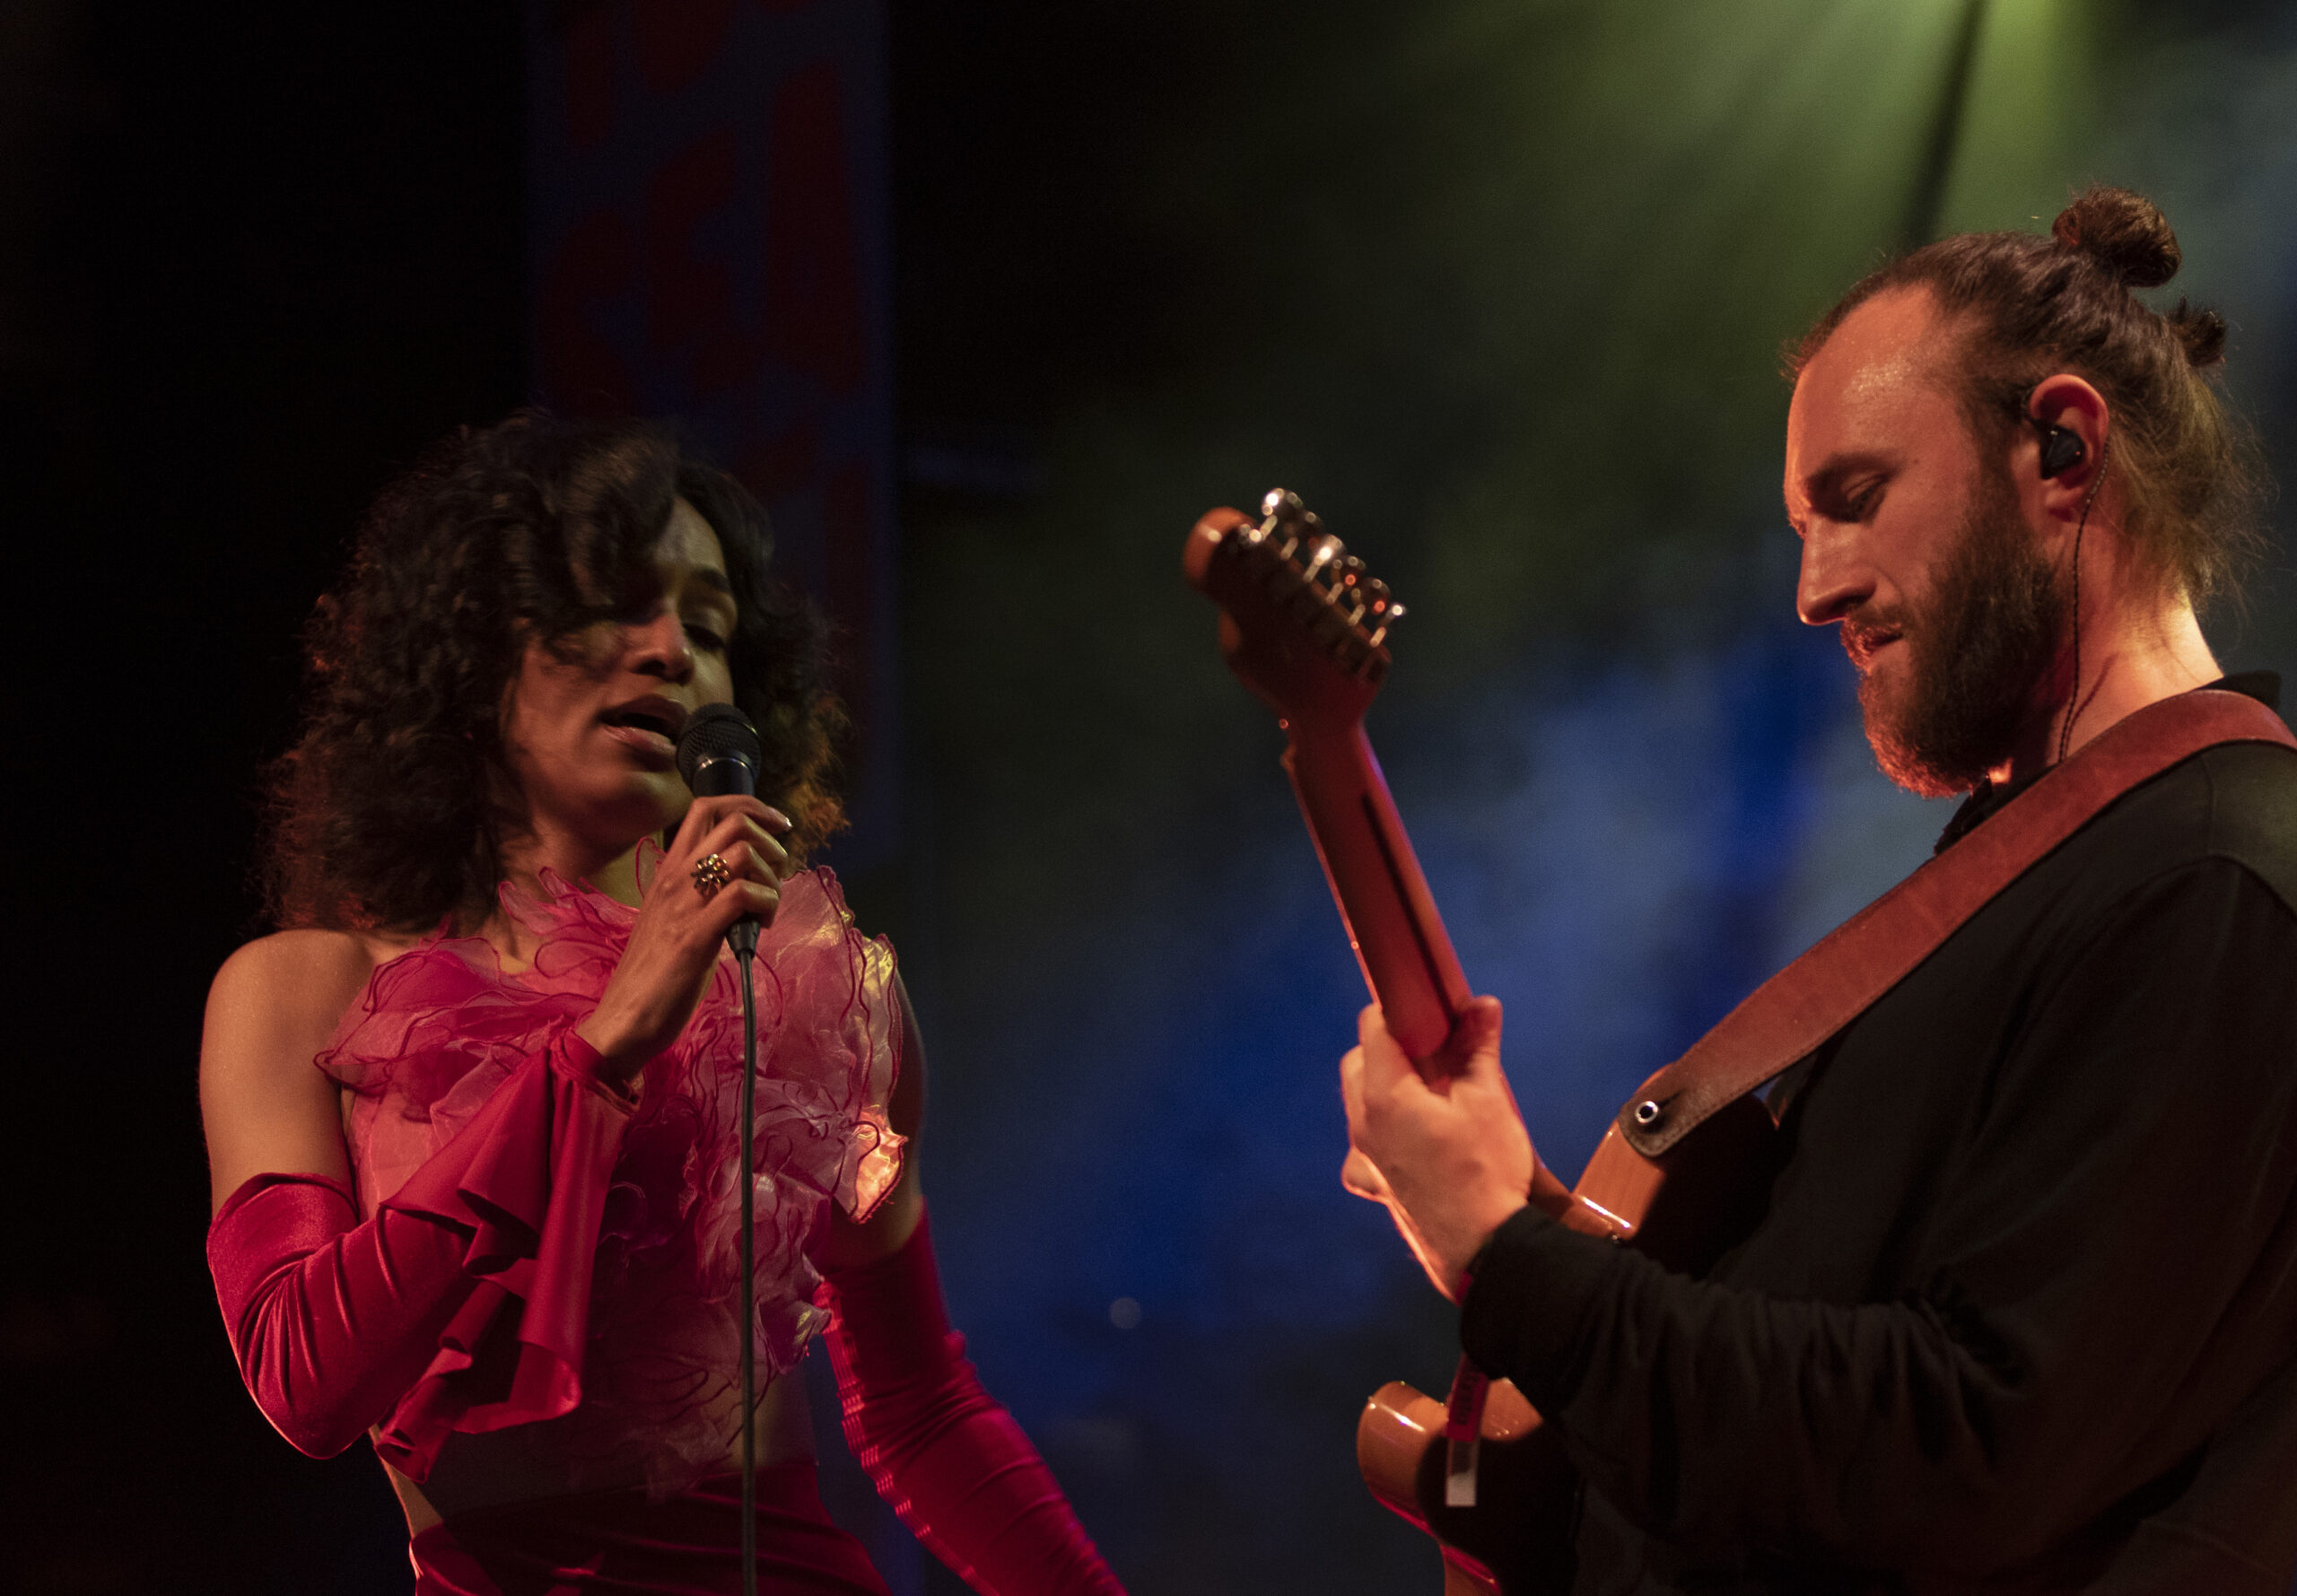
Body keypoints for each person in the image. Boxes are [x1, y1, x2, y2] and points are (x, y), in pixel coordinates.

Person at [1340, 186, 2297, 1592]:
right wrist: (1516, 1226)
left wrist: (1509, 1260)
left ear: (2063, 450)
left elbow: (1959, 1447)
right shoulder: (2066, 863)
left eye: (1855, 500)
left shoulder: (2210, 880)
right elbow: (1822, 1357)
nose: (1815, 590)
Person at [200, 414, 1127, 1595]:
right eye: (611, 604)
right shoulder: (305, 992)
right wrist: (602, 1045)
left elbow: (921, 1411)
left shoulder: (823, 997)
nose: (669, 652)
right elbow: (303, 1381)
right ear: (474, 648)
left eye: (709, 628)